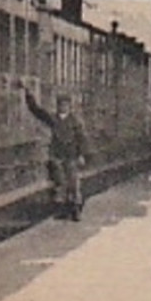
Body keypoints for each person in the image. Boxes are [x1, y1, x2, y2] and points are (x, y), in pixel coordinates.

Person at [24, 88, 89, 221]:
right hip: (57, 155)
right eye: (60, 104)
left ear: (69, 106)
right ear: (57, 105)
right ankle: (63, 210)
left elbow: (81, 138)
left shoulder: (75, 121)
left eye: (65, 105)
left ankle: (76, 210)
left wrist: (81, 155)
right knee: (60, 183)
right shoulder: (53, 119)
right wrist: (28, 95)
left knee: (74, 183)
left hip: (72, 155)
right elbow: (38, 111)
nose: (63, 107)